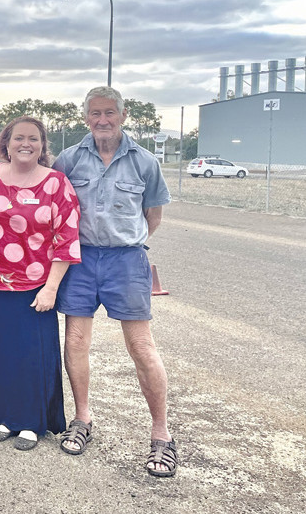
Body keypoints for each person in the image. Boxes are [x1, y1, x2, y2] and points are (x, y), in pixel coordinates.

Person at [53, 86, 176, 477]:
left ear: (123, 116)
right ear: (86, 118)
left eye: (109, 113)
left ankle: (161, 435)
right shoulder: (69, 160)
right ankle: (82, 419)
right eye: (95, 114)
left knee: (141, 346)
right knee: (75, 341)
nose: (102, 120)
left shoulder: (144, 162)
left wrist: (126, 243)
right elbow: (53, 206)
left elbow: (152, 217)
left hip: (126, 260)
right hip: (80, 259)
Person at [0, 116, 80, 450]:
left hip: (34, 286)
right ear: (6, 142)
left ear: (43, 145)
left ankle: (32, 422)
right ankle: (4, 416)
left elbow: (67, 238)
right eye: (18, 138)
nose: (25, 144)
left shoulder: (56, 183)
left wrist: (51, 287)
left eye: (33, 139)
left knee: (33, 355)